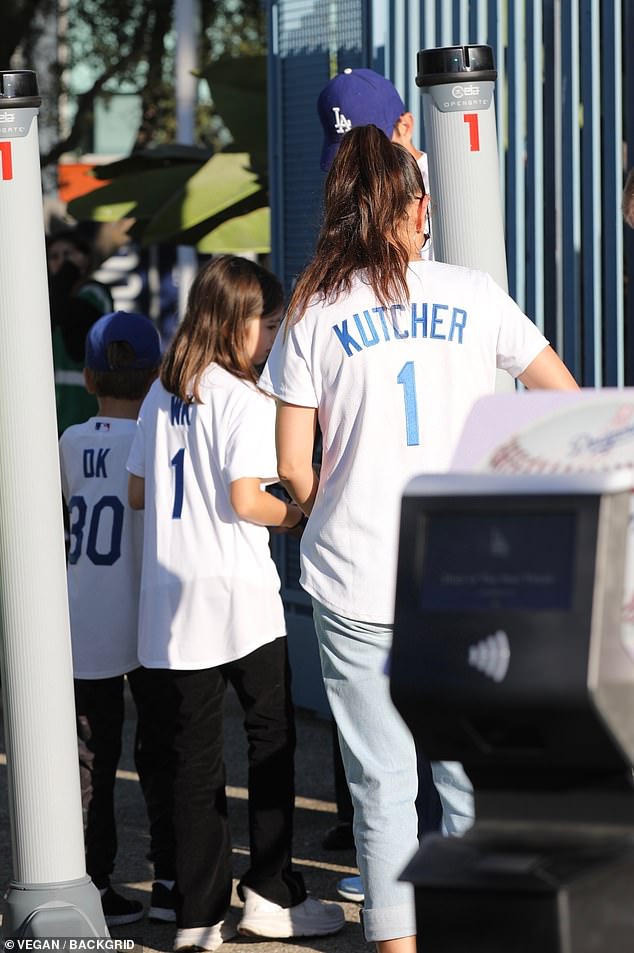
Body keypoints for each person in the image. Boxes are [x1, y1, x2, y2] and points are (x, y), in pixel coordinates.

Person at [259, 124, 579, 953]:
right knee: (468, 775)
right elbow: (561, 401)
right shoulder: (475, 293)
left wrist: (322, 498)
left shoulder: (311, 309)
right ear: (419, 208)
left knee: (381, 783)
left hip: (355, 570)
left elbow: (294, 464)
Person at [126, 255, 345, 952]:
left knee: (192, 764)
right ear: (238, 321)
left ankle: (196, 916)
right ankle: (271, 892)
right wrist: (302, 512)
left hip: (170, 600)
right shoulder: (244, 399)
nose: (274, 337)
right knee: (270, 744)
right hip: (242, 599)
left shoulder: (164, 392)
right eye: (270, 324)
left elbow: (137, 493)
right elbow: (248, 498)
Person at [59, 310, 176, 927]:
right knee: (160, 751)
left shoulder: (70, 441)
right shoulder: (154, 441)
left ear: (86, 376)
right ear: (157, 375)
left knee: (89, 763)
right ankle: (170, 878)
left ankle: (93, 882)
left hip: (83, 621)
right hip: (148, 620)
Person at [317, 66, 434, 260]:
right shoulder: (350, 195)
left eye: (372, 148)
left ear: (405, 126)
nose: (359, 165)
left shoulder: (448, 192)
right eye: (347, 156)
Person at [48, 228, 114, 434]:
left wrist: (70, 270)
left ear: (83, 259)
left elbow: (63, 311)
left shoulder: (95, 292)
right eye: (54, 256)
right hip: (53, 414)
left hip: (85, 412)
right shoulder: (49, 294)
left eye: (67, 255)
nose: (60, 262)